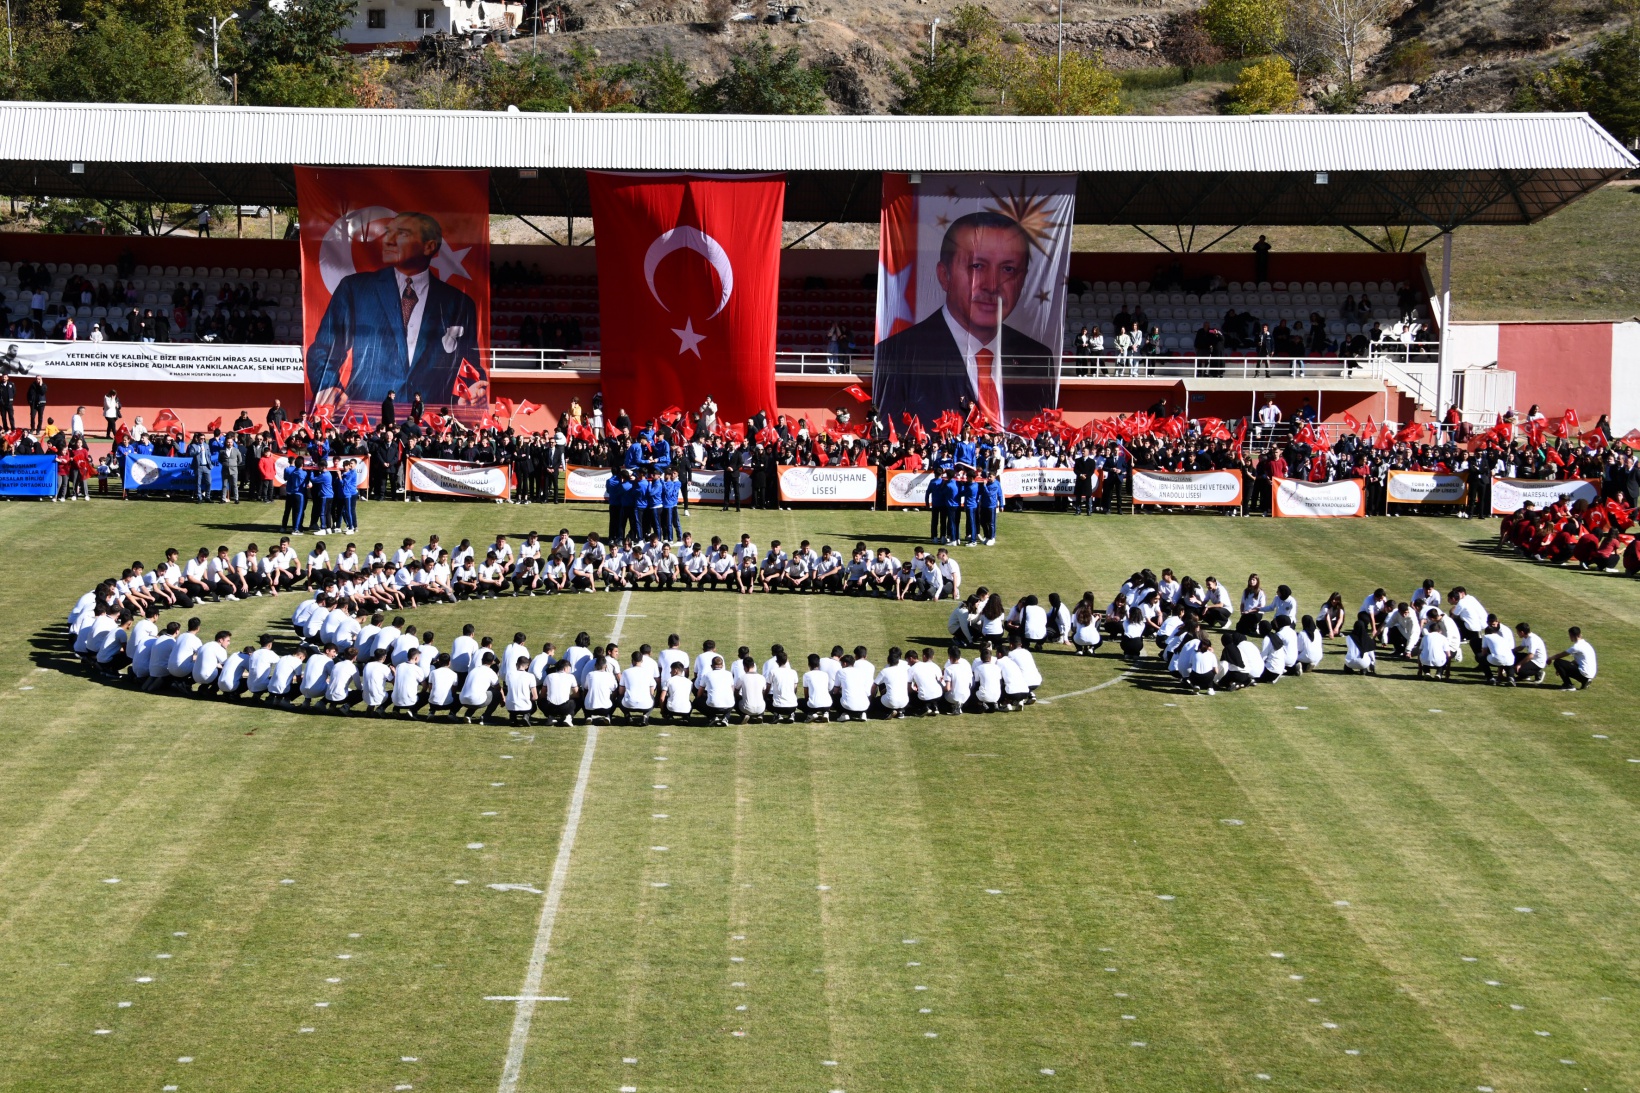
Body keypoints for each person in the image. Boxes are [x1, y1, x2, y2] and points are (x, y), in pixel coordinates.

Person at [871, 212, 1057, 424]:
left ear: (1023, 280)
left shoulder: (1038, 357)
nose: (992, 285)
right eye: (977, 266)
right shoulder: (898, 353)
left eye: (1008, 269)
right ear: (944, 276)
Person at [306, 212, 482, 412]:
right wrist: (329, 385)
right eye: (388, 232)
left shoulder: (460, 303)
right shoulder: (355, 289)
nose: (387, 240)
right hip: (369, 419)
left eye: (401, 233)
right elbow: (323, 350)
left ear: (429, 246)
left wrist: (473, 389)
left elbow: (470, 366)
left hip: (430, 423)